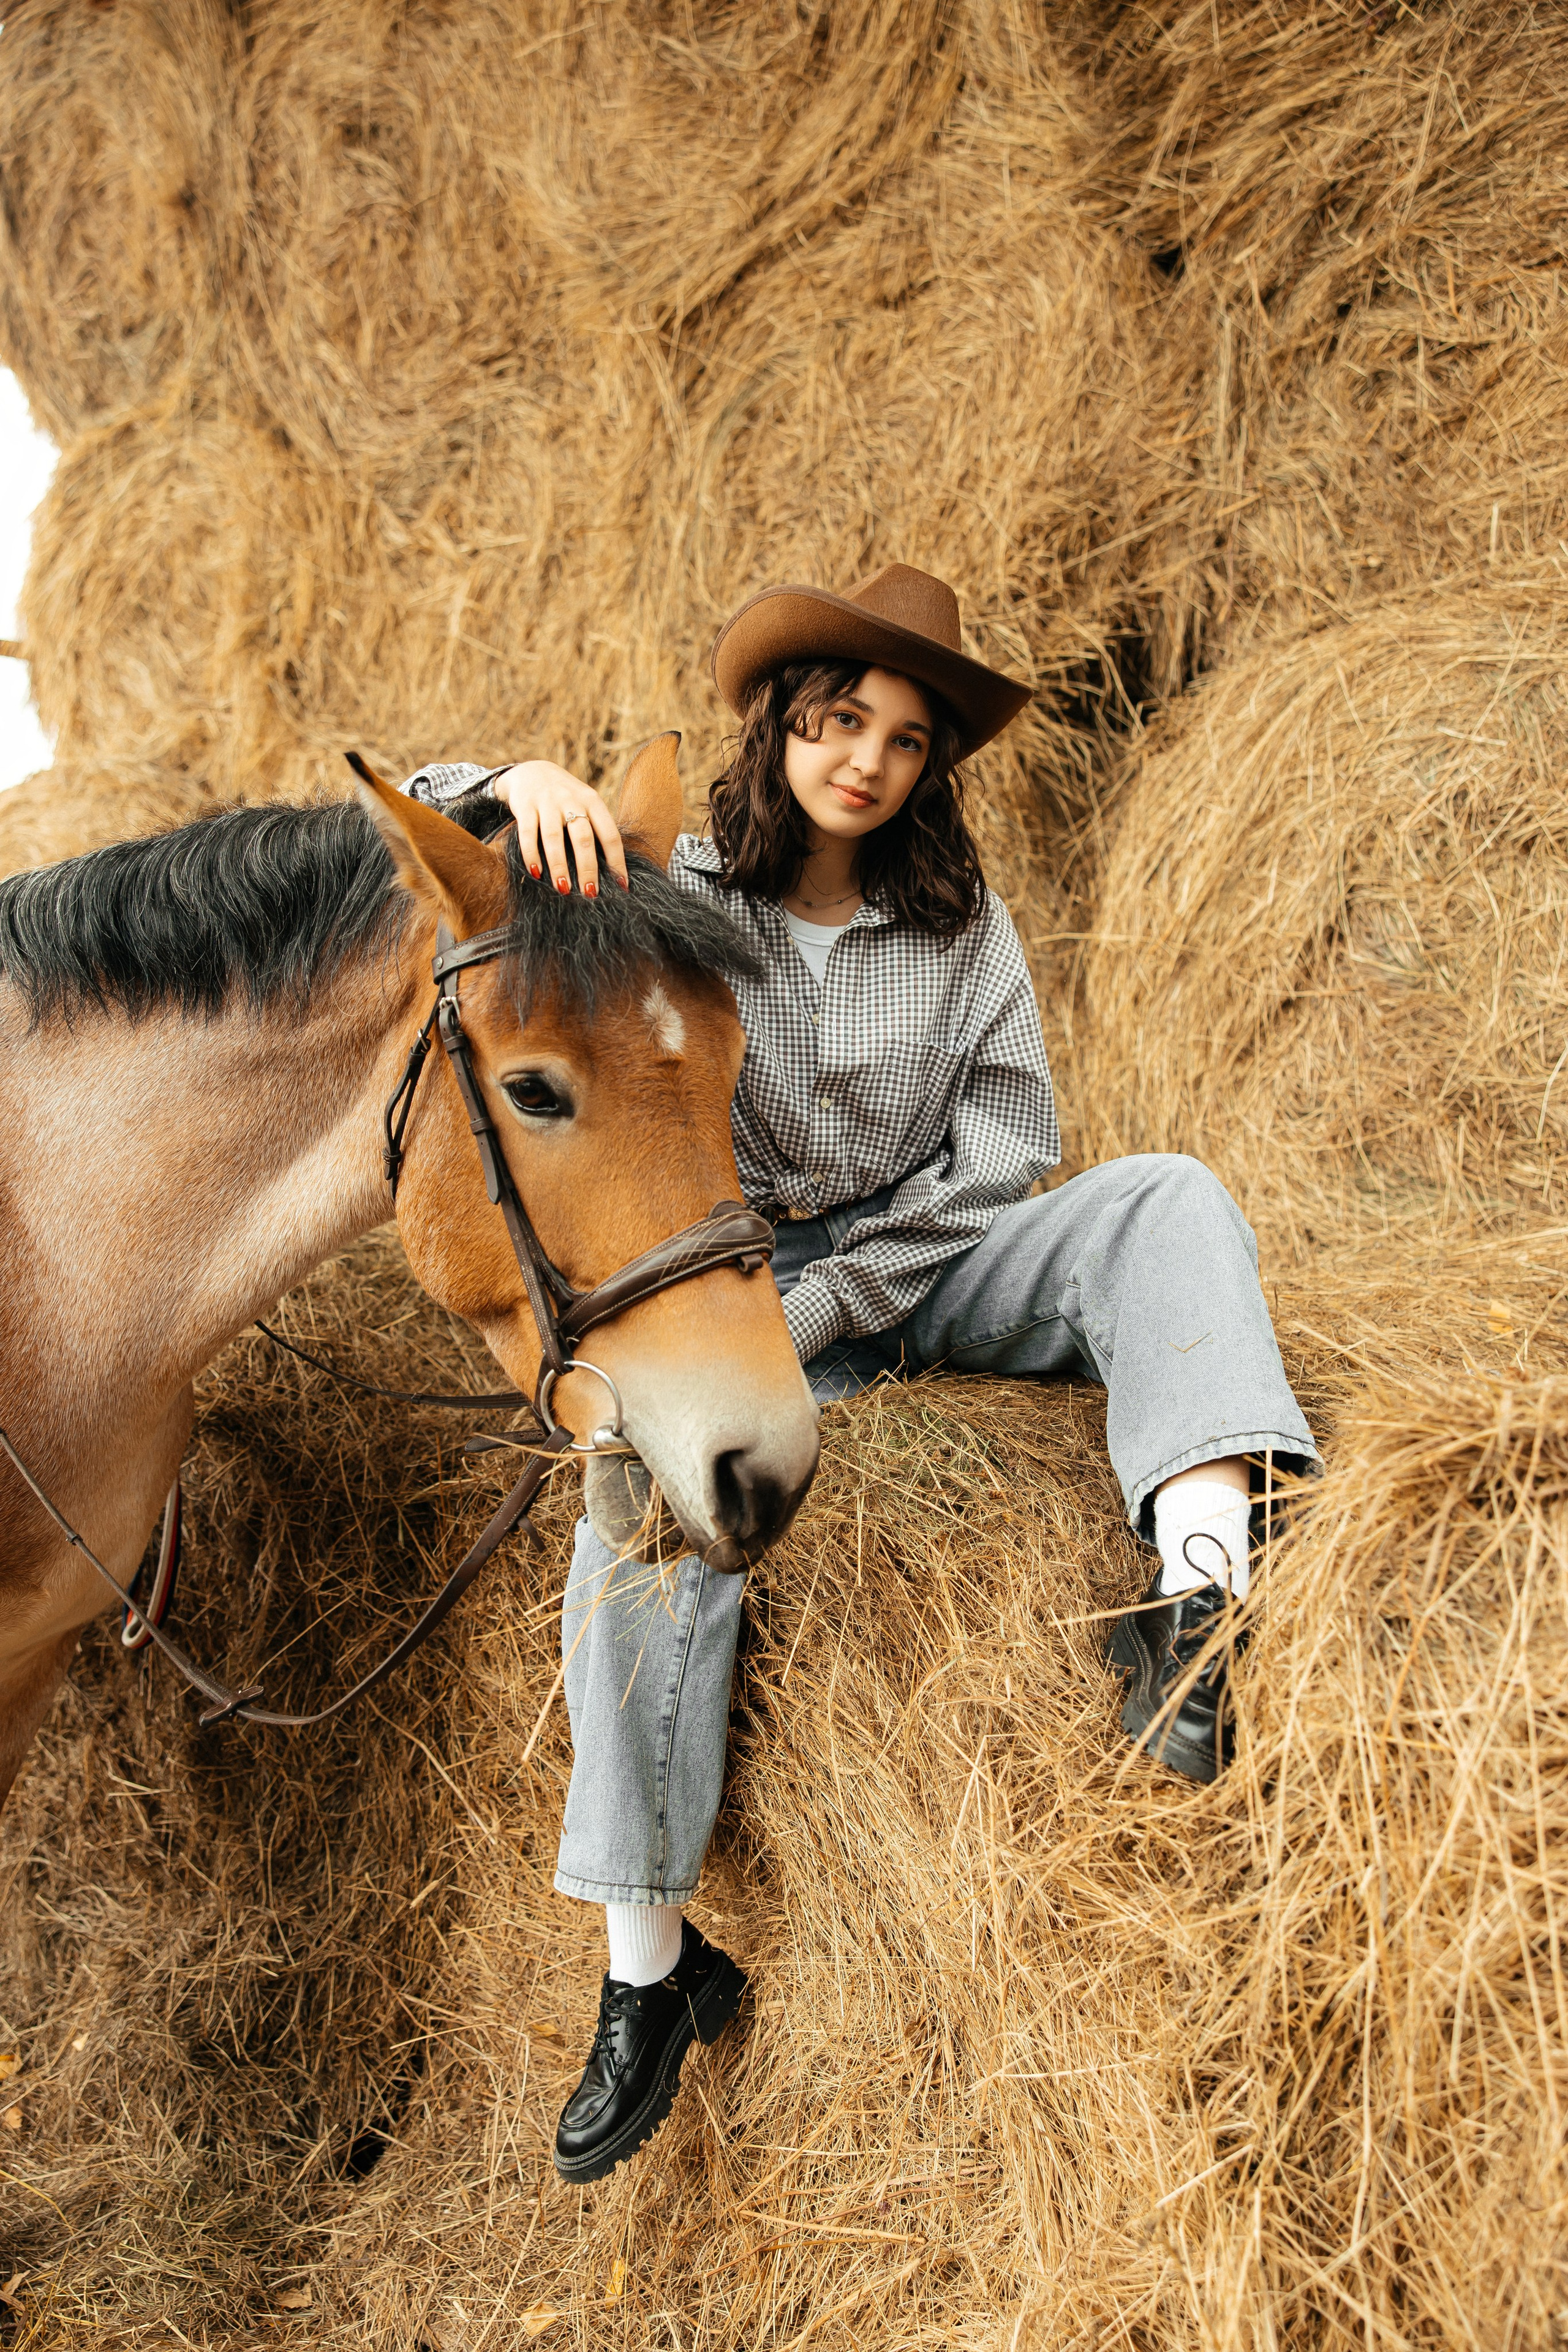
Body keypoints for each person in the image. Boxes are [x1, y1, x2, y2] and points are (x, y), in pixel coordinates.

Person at [398, 562, 1319, 2183]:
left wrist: (848, 1297)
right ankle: (647, 1973)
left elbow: (1011, 1145)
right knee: (644, 1508)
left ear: (926, 773)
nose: (867, 761)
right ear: (786, 725)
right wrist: (506, 785)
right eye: (839, 721)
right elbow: (413, 833)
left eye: (903, 739)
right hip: (737, 1303)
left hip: (925, 1268)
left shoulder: (962, 928)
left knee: (1165, 1197)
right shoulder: (673, 890)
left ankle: (1199, 1603)